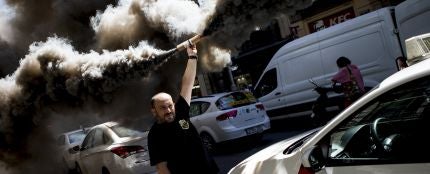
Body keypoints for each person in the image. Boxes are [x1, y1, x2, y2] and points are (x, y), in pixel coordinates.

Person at [147, 42, 219, 174]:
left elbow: (187, 84)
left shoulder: (180, 111)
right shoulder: (154, 135)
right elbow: (162, 168)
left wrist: (192, 56)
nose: (168, 110)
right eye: (162, 108)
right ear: (154, 111)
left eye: (170, 106)